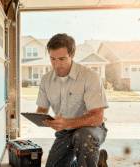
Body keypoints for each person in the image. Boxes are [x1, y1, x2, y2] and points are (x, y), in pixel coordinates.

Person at [36, 33, 109, 167]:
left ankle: (91, 160)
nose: (56, 65)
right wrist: (42, 118)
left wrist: (67, 122)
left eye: (62, 59)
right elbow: (41, 110)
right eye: (52, 59)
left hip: (91, 129)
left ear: (73, 55)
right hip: (65, 132)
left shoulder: (89, 76)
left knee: (84, 136)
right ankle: (98, 159)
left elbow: (98, 117)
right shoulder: (46, 79)